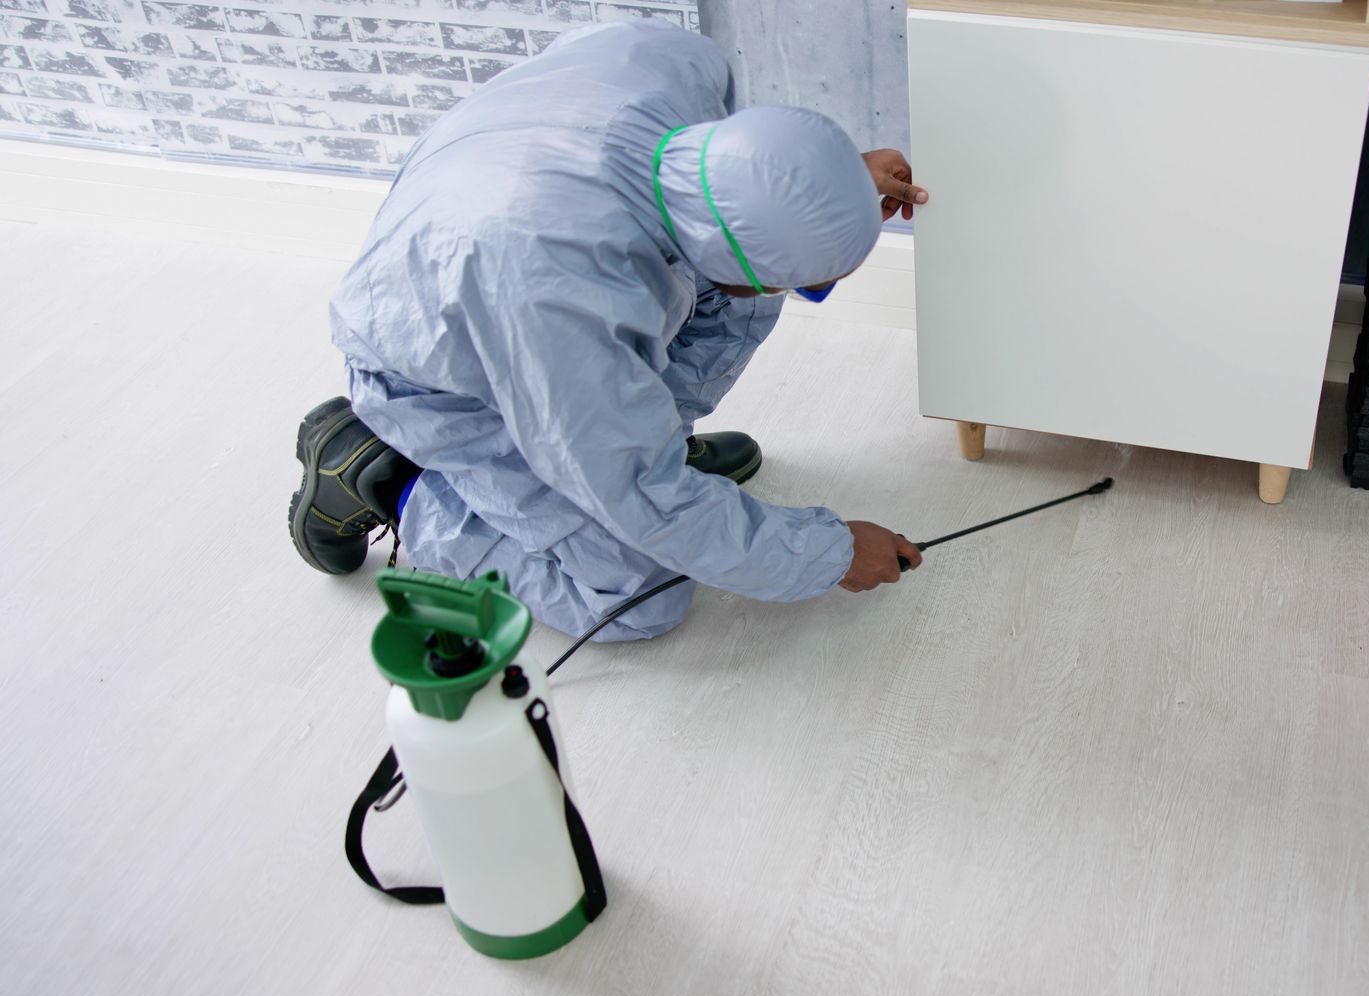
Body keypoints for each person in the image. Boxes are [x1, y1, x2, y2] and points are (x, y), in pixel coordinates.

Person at [287, 20, 929, 642]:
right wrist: (832, 554)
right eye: (791, 277)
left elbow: (760, 176)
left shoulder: (676, 60)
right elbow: (641, 496)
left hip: (487, 278)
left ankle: (648, 443)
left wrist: (836, 178)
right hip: (443, 380)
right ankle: (383, 479)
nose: (787, 292)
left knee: (739, 304)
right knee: (644, 593)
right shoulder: (564, 297)